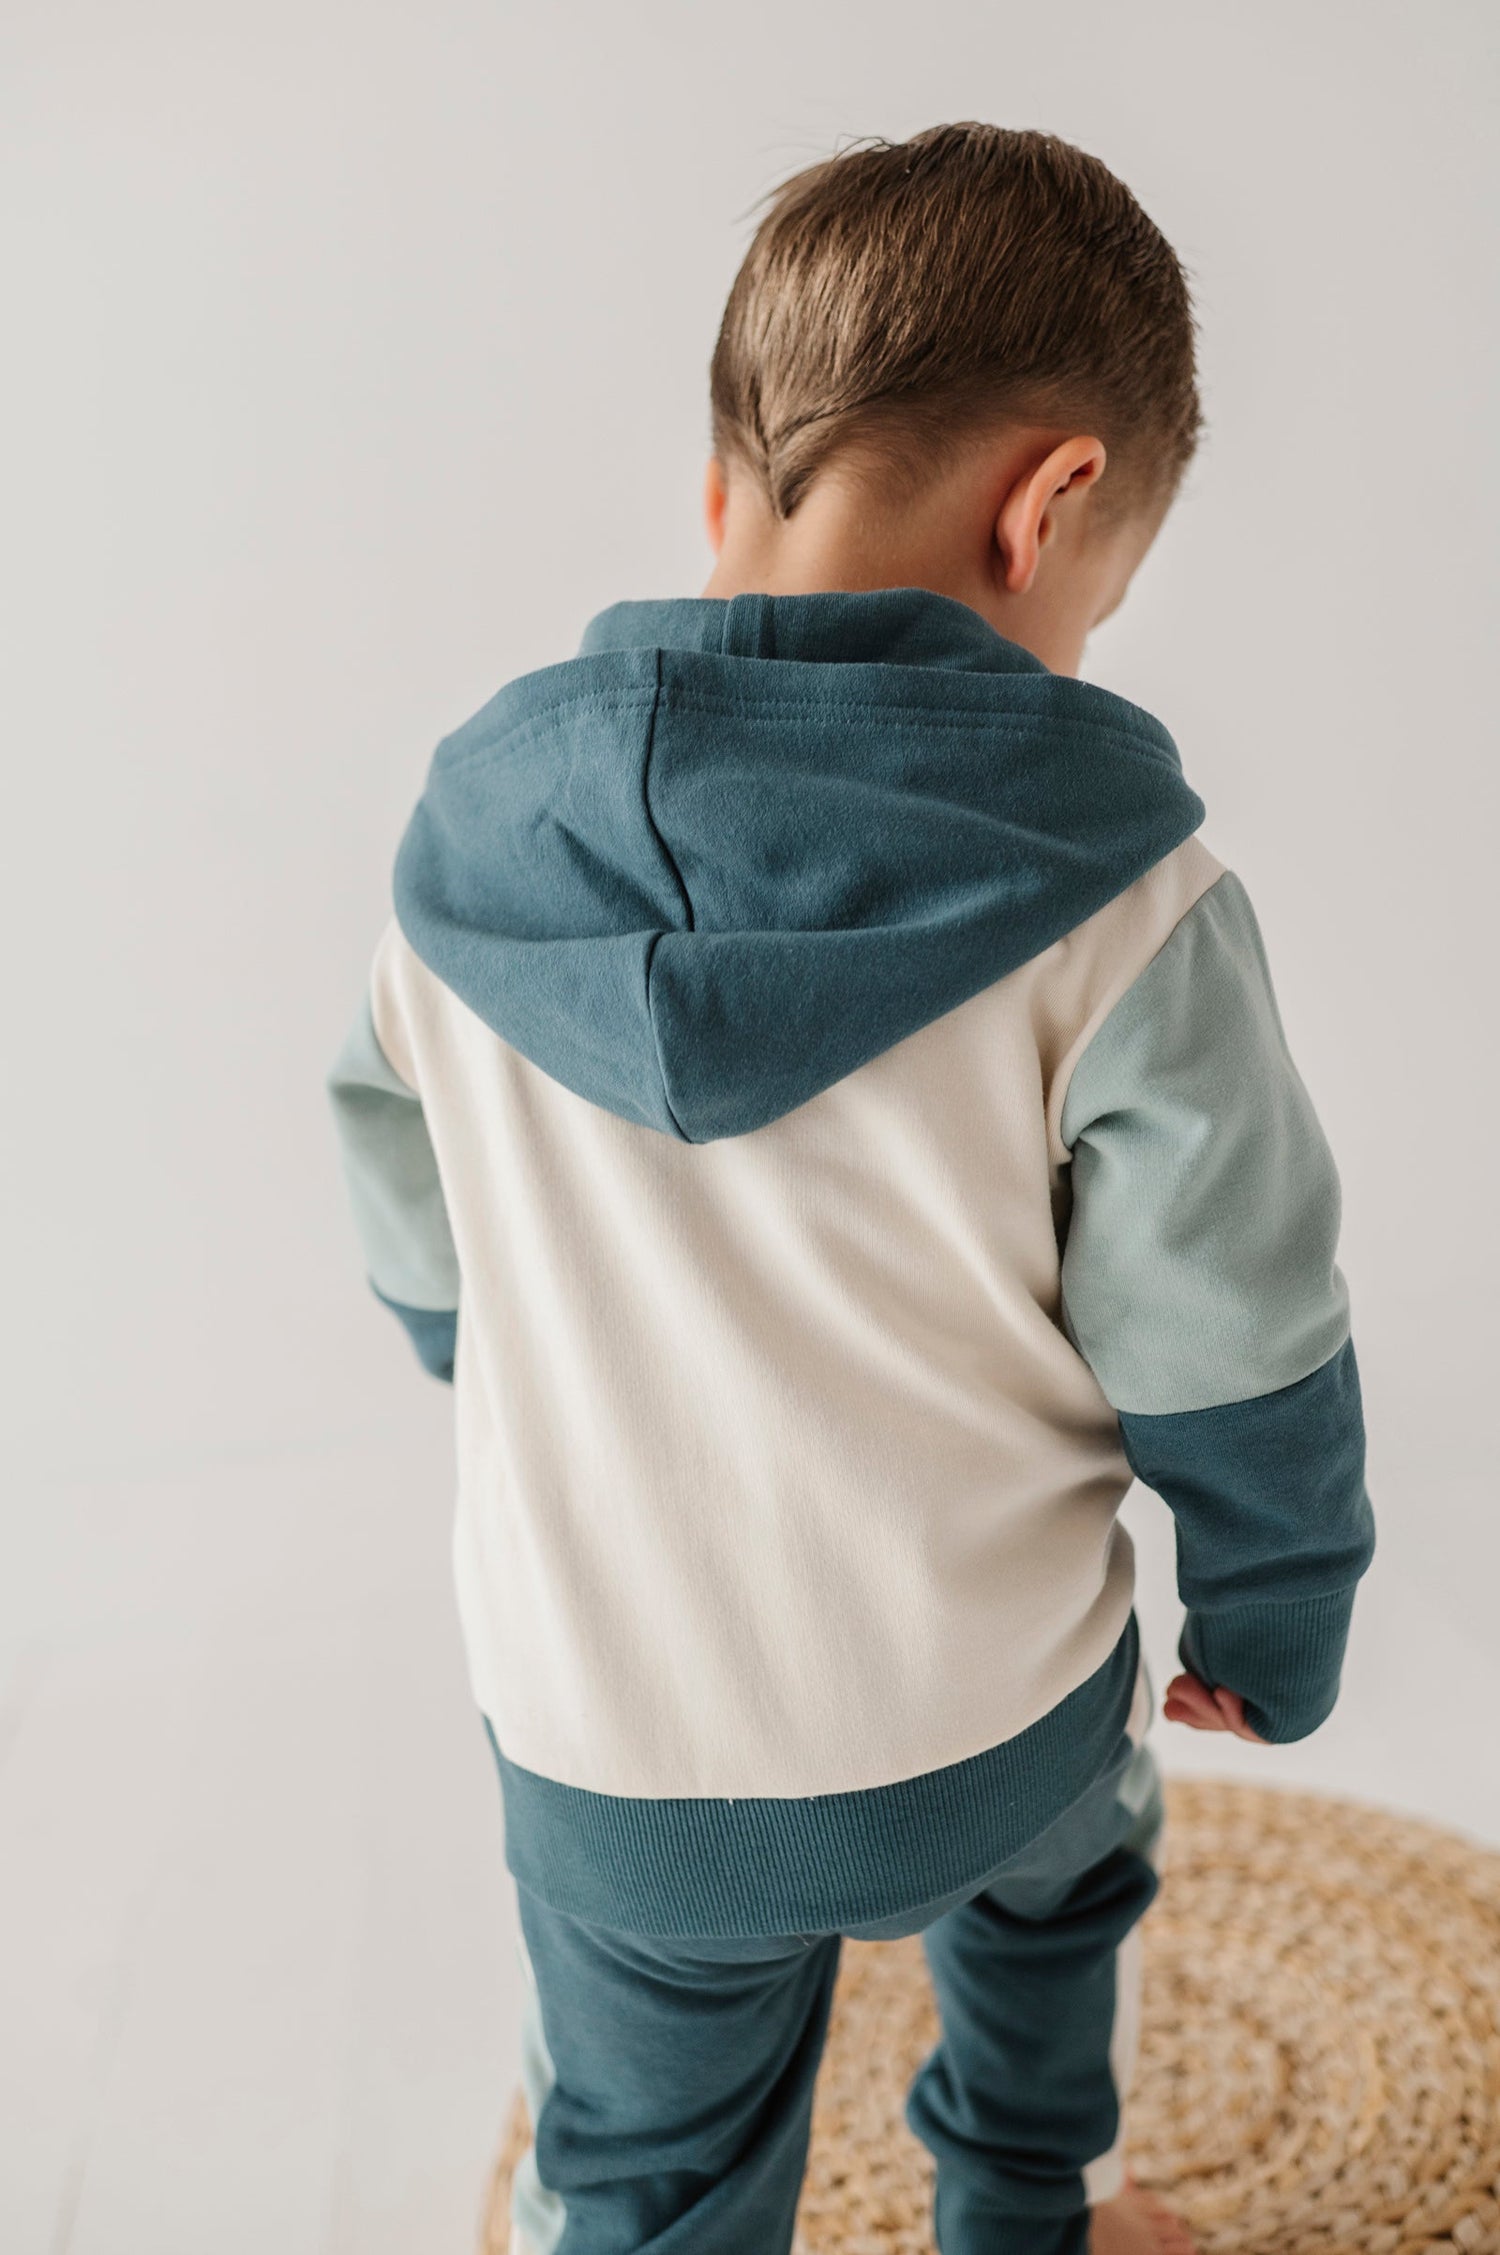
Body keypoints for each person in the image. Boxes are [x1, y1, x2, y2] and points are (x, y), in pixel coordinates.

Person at [325, 122, 1375, 2255]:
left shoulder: (463, 872)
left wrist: (492, 1352)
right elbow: (1235, 1334)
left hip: (610, 1748)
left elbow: (404, 1182)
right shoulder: (1129, 903)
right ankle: (1030, 2207)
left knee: (642, 2157)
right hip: (985, 1725)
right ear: (1048, 507)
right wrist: (1277, 1612)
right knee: (1069, 1884)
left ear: (724, 490)